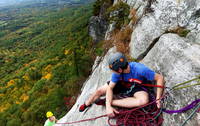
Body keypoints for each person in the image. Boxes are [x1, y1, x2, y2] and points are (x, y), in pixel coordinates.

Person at [79, 52, 164, 117]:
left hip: (137, 86)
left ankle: (110, 102)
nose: (113, 72)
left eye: (114, 70)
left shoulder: (140, 69)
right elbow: (110, 88)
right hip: (122, 83)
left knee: (143, 101)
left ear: (119, 69)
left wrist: (158, 98)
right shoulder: (117, 74)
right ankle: (87, 103)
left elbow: (159, 78)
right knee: (99, 91)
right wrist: (108, 107)